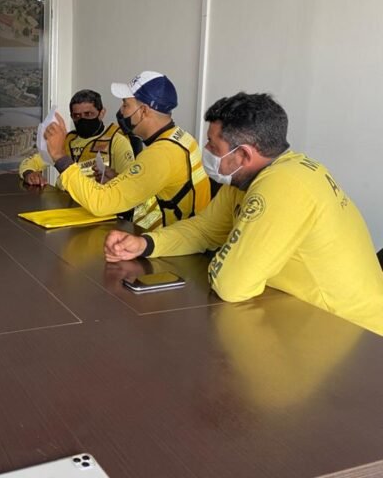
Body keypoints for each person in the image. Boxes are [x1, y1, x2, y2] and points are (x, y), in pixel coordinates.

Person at [104, 92, 383, 336]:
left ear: (244, 155)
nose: (206, 151)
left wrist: (226, 253)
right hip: (300, 318)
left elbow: (231, 284)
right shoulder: (247, 178)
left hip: (355, 335)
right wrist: (146, 243)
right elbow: (205, 229)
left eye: (213, 146)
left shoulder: (282, 186)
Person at [44, 71, 211, 230]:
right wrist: (119, 180)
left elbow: (100, 204)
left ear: (143, 111)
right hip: (185, 234)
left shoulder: (160, 155)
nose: (121, 111)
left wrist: (60, 156)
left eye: (125, 105)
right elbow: (155, 187)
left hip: (173, 242)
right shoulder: (180, 137)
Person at [19, 89, 136, 187]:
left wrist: (113, 179)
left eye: (88, 114)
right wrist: (30, 174)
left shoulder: (117, 141)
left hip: (97, 202)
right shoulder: (67, 140)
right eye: (77, 116)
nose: (83, 119)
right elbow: (30, 162)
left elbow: (130, 182)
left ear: (101, 113)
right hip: (64, 199)